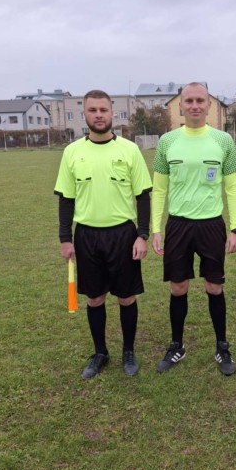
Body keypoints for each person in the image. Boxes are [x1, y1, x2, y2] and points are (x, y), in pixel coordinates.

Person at [54, 90, 152, 379]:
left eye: (103, 110)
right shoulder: (72, 152)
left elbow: (143, 196)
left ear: (112, 113)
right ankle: (100, 353)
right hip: (87, 236)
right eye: (92, 110)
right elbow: (66, 199)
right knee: (94, 298)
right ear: (84, 114)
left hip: (123, 235)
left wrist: (142, 235)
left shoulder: (129, 150)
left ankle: (128, 352)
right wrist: (65, 238)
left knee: (126, 297)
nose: (98, 115)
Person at [151, 82, 236, 375]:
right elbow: (159, 190)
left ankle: (222, 347)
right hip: (178, 225)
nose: (194, 105)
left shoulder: (224, 141)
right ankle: (176, 345)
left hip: (211, 225)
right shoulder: (167, 141)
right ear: (180, 105)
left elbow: (232, 188)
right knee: (178, 287)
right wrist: (156, 229)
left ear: (209, 104)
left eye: (200, 100)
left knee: (214, 286)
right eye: (188, 100)